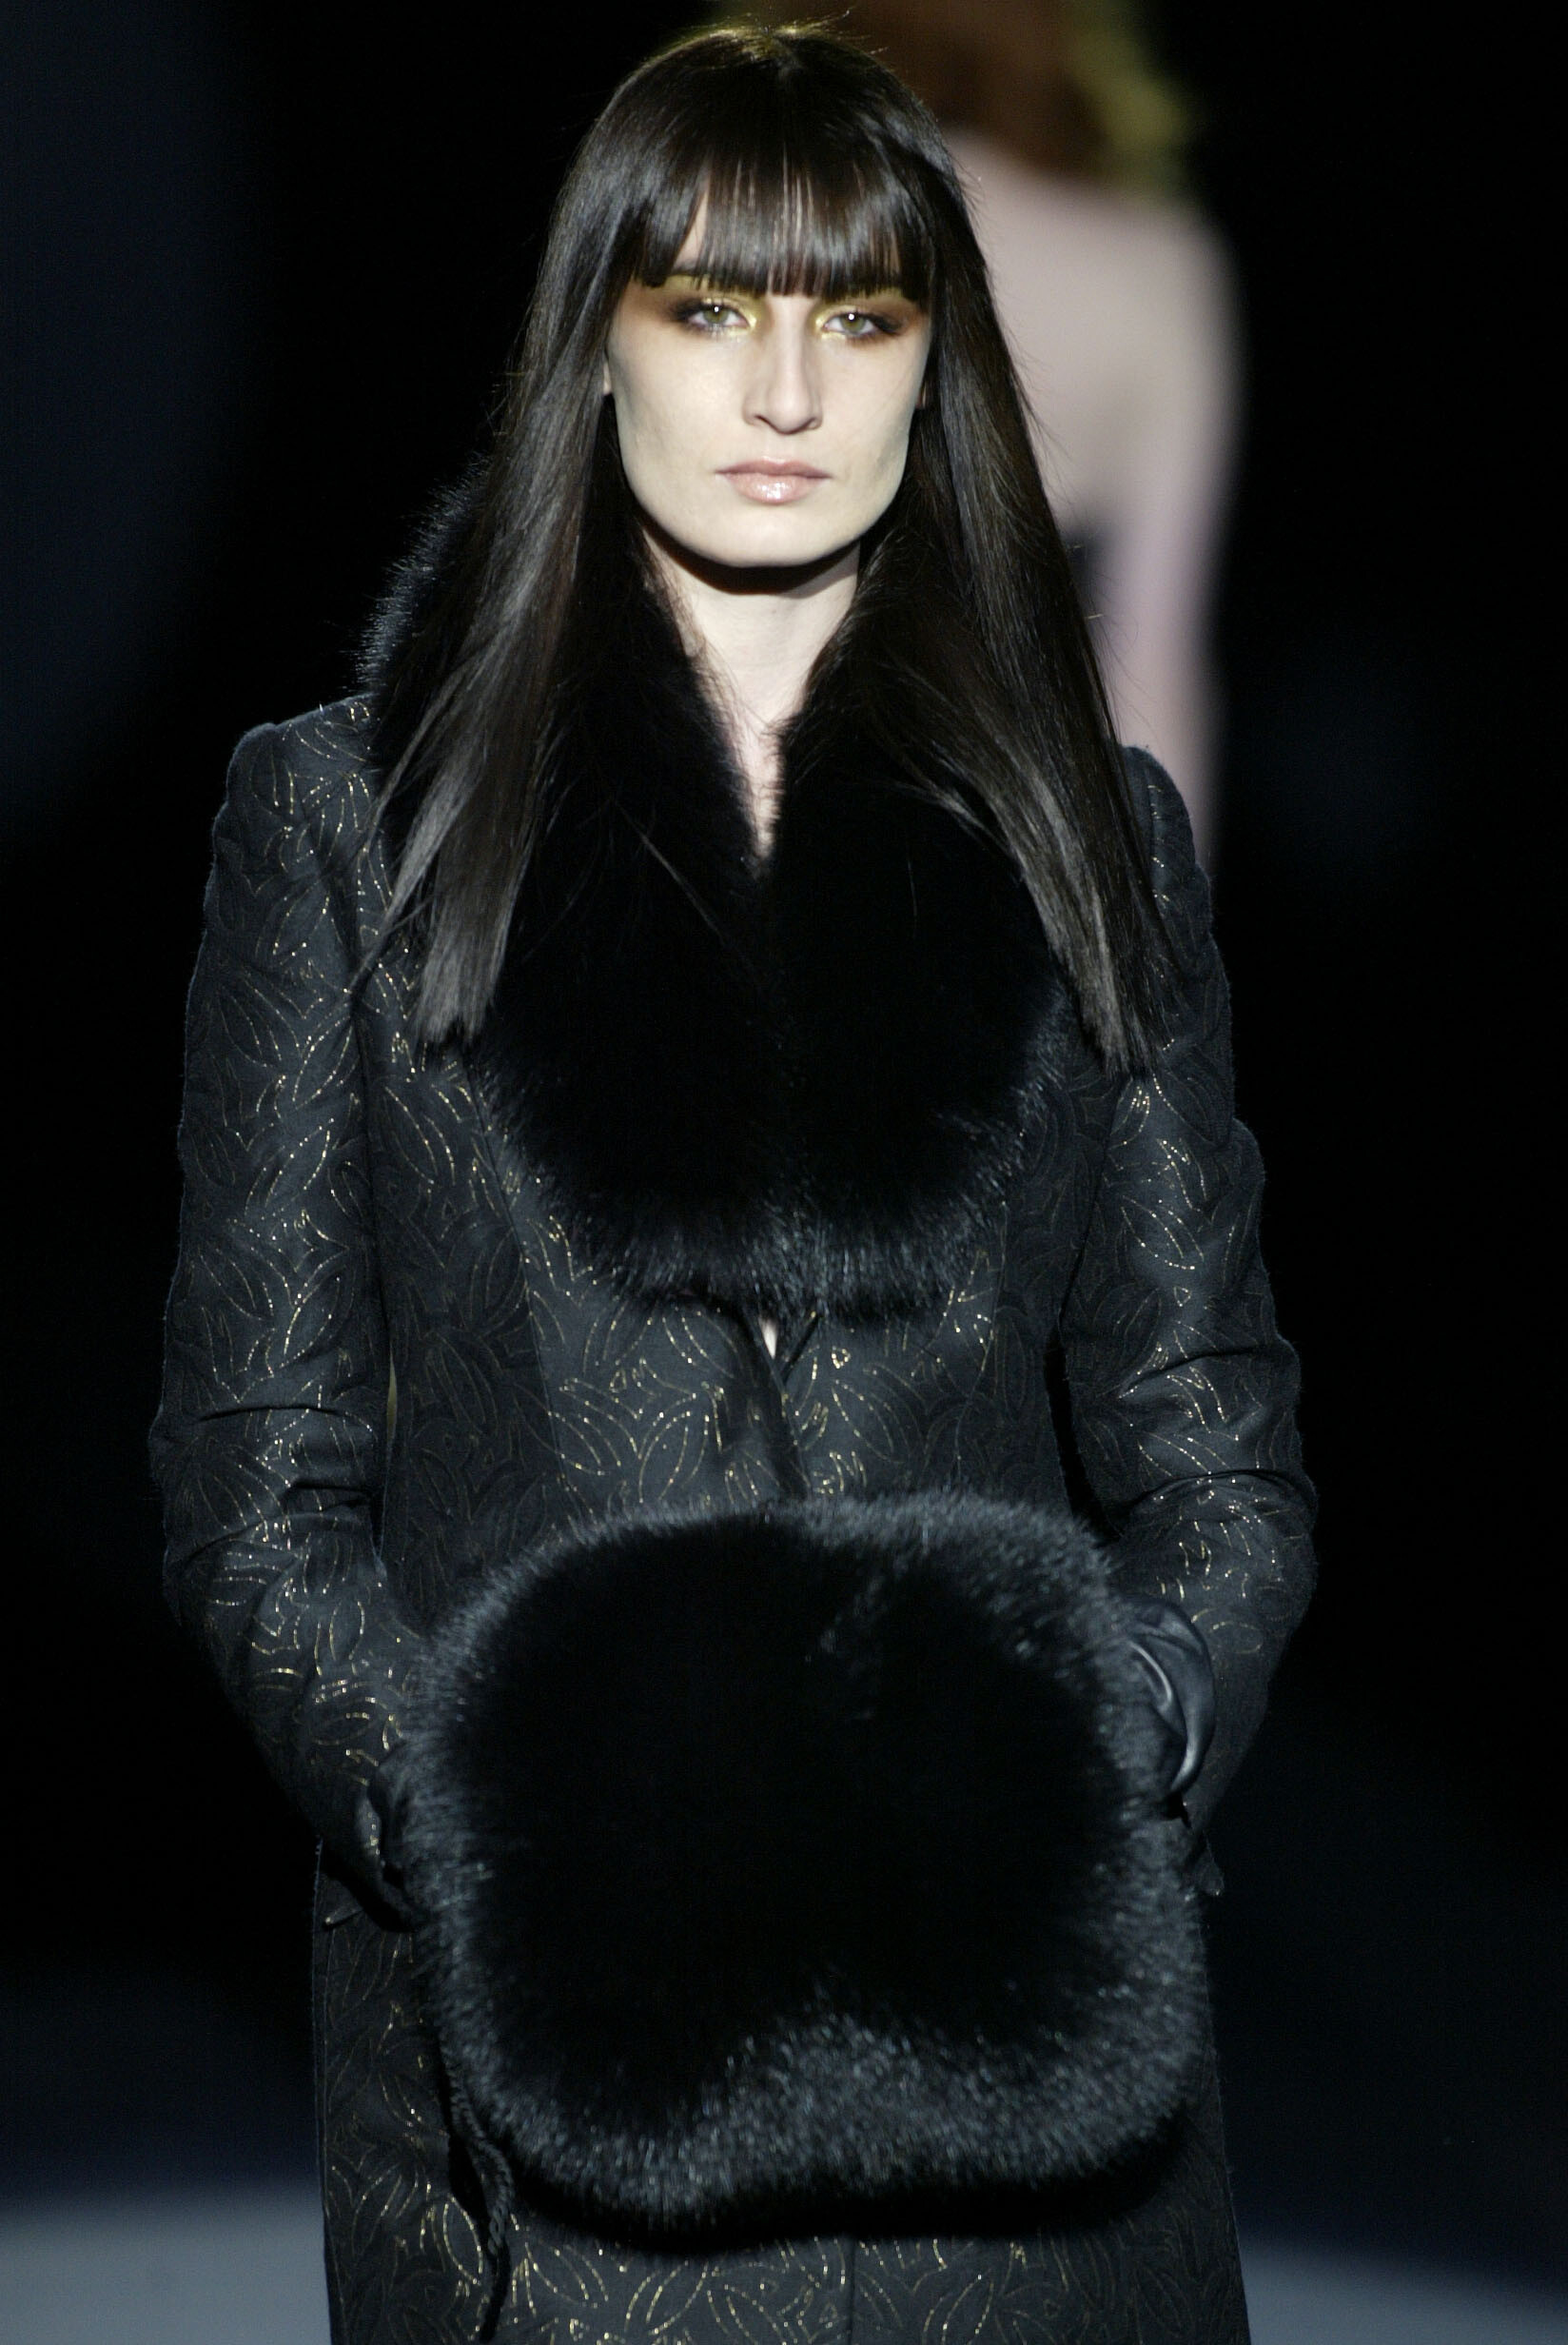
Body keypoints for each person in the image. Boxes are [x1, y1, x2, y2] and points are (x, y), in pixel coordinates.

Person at [151, 26, 1313, 2345]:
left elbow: (1216, 1447)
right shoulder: (354, 831)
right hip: (542, 2125)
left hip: (1025, 2115)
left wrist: (1124, 1721)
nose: (782, 387)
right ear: (593, 339)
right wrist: (471, 1815)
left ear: (933, 366)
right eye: (706, 304)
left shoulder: (1090, 839)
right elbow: (252, 1481)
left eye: (856, 314)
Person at [809, 0, 1240, 861]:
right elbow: (1154, 657)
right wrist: (1160, 916)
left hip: (803, 794)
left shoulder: (793, 222)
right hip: (1033, 831)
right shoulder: (1159, 265)